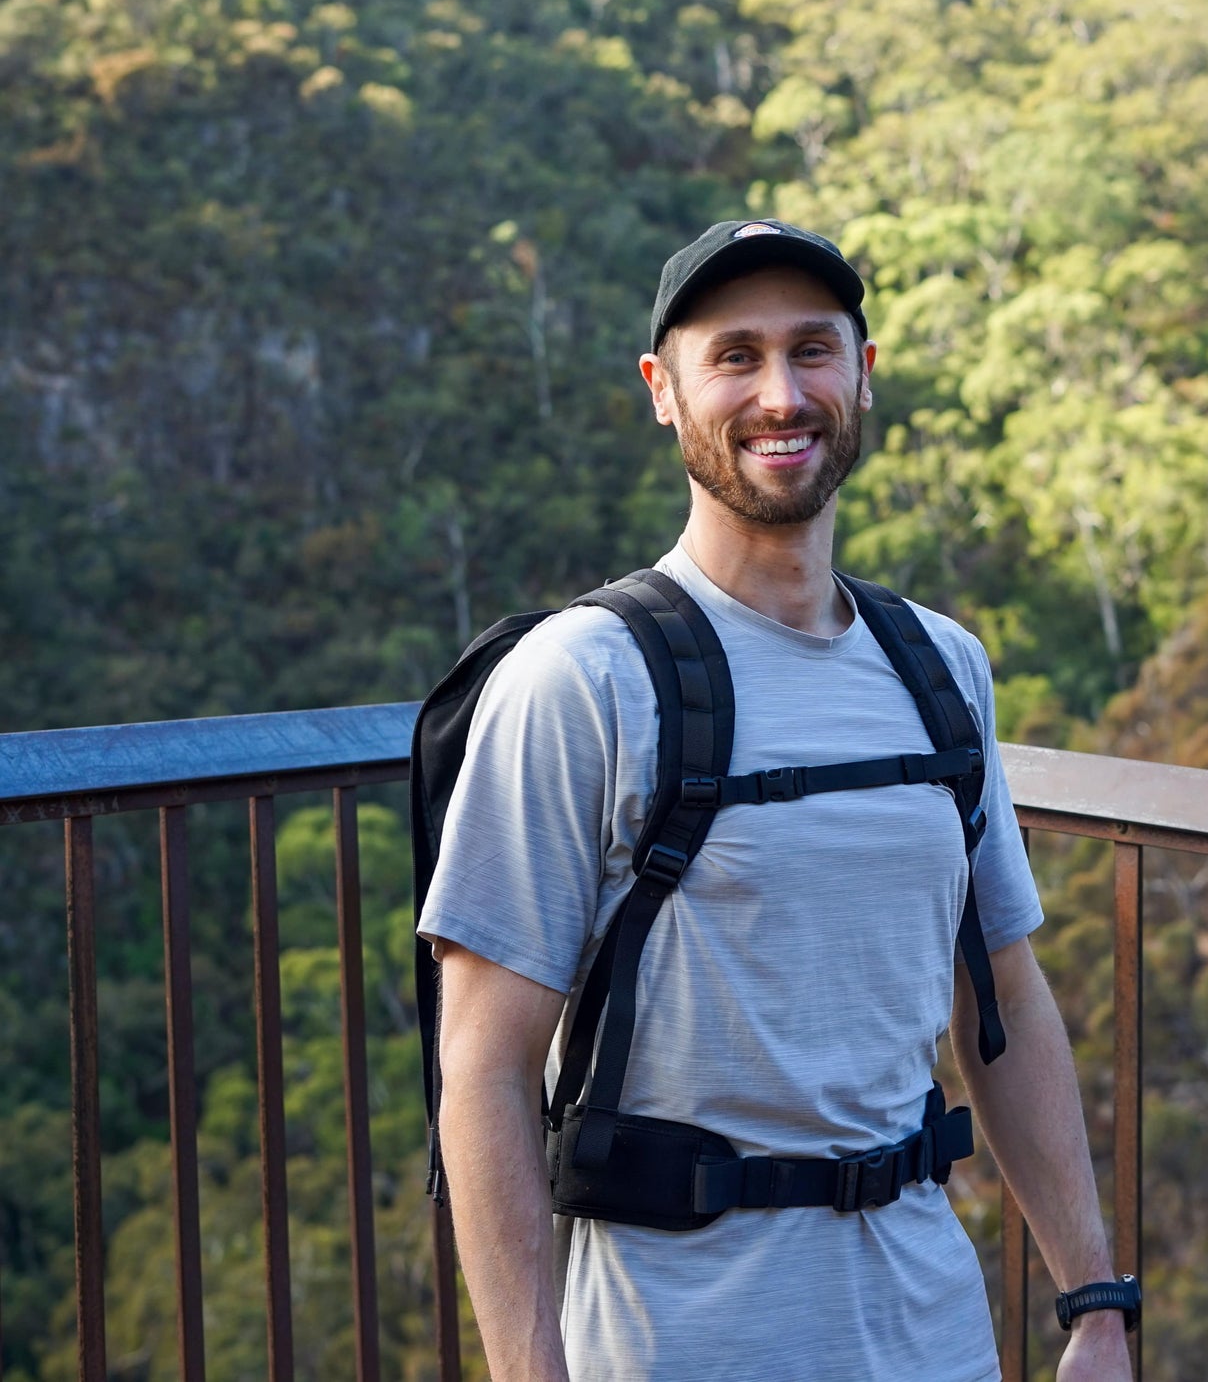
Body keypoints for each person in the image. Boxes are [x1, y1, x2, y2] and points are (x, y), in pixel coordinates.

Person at [417, 220, 1135, 1381]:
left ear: (863, 371)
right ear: (664, 390)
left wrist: (1094, 1303)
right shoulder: (582, 682)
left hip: (928, 1330)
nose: (781, 394)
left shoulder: (940, 668)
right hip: (674, 1343)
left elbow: (1002, 995)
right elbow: (486, 1069)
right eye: (735, 356)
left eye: (812, 350)